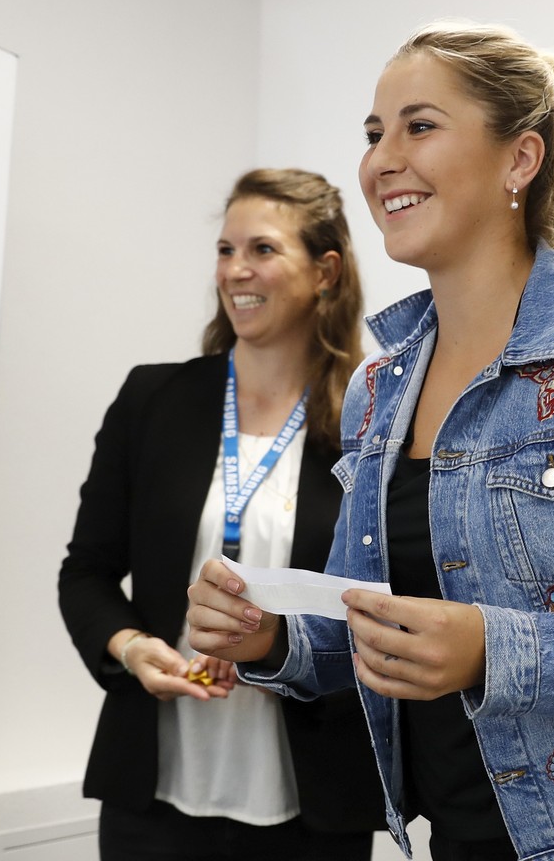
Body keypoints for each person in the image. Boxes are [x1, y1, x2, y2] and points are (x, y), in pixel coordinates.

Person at [187, 23, 554, 861]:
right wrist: (273, 639)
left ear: (520, 160)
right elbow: (370, 622)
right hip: (462, 838)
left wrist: (498, 651)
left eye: (419, 126)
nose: (381, 159)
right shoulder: (378, 388)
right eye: (373, 133)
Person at [57, 168, 384, 861]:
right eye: (226, 249)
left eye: (262, 249)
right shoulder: (153, 402)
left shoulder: (374, 422)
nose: (237, 270)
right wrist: (131, 647)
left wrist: (279, 646)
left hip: (314, 800)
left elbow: (384, 605)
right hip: (153, 794)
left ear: (325, 271)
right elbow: (84, 573)